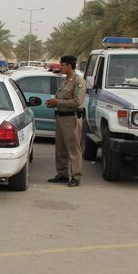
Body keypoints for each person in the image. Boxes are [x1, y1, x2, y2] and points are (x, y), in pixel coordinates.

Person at [45, 55, 86, 187]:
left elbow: (77, 101)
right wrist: (53, 103)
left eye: (62, 65)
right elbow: (60, 97)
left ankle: (76, 176)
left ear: (69, 66)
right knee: (60, 148)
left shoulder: (78, 81)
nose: (60, 67)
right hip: (61, 117)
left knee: (73, 149)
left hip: (71, 117)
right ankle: (62, 173)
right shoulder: (64, 81)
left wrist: (57, 101)